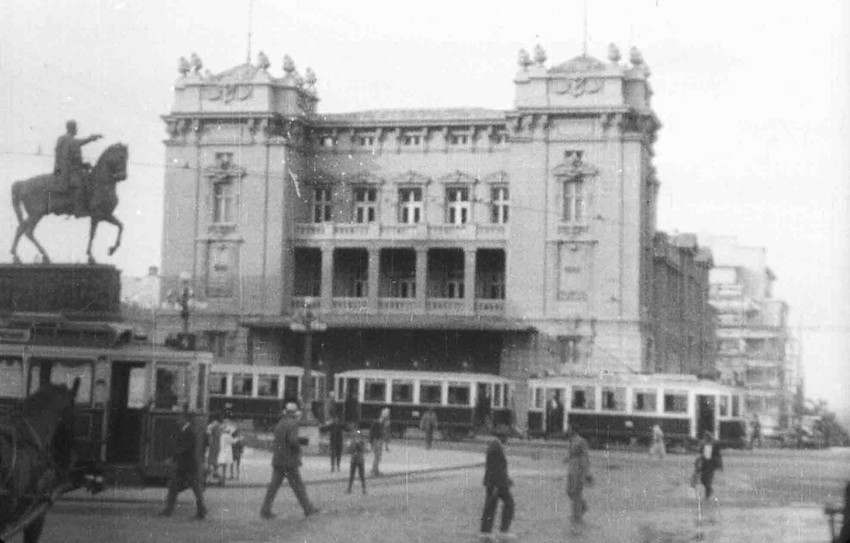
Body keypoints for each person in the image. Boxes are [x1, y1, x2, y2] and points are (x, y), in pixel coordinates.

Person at [259, 401, 320, 520]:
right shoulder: (292, 424)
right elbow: (292, 441)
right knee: (298, 486)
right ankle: (308, 509)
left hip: (278, 460)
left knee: (273, 487)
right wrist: (298, 450)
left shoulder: (280, 423)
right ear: (294, 413)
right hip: (289, 461)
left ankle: (265, 510)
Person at [160, 409, 207, 520]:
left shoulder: (189, 431)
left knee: (192, 489)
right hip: (186, 465)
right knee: (179, 488)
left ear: (185, 419)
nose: (177, 420)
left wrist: (173, 458)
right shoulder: (186, 430)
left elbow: (185, 448)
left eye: (179, 418)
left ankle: (200, 510)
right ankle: (168, 510)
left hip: (188, 465)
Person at [53, 120, 102, 217]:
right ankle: (78, 209)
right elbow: (70, 157)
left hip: (65, 169)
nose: (77, 130)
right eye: (76, 128)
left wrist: (83, 165)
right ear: (72, 128)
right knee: (80, 184)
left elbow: (73, 157)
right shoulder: (69, 139)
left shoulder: (65, 139)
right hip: (67, 171)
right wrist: (91, 138)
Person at [479, 436, 516, 541]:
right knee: (508, 504)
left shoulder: (494, 445)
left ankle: (486, 531)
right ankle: (502, 531)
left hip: (495, 482)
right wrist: (499, 483)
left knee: (491, 506)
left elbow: (495, 467)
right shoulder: (496, 446)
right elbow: (497, 468)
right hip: (498, 483)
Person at [564, 425, 593, 525]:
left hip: (579, 469)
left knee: (576, 492)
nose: (567, 431)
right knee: (569, 491)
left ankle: (576, 515)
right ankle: (582, 506)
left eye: (569, 429)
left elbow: (585, 455)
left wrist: (586, 471)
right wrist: (567, 459)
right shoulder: (572, 440)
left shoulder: (581, 441)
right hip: (572, 468)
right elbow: (571, 453)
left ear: (574, 430)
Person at [696, 431, 723, 501]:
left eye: (708, 437)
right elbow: (699, 453)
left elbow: (718, 455)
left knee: (708, 480)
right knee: (702, 480)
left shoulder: (715, 444)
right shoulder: (702, 444)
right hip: (704, 463)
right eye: (705, 437)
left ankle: (707, 494)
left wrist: (720, 465)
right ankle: (709, 490)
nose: (706, 439)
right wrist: (697, 463)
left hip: (712, 464)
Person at [346, 429, 367, 495]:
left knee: (362, 475)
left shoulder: (362, 441)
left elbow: (363, 449)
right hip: (354, 459)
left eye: (359, 435)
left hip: (360, 460)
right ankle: (349, 488)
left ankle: (364, 489)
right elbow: (349, 450)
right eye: (356, 434)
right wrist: (353, 445)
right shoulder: (353, 441)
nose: (357, 436)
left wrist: (358, 444)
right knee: (352, 475)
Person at [205, 416, 222, 482]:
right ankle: (213, 475)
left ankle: (211, 477)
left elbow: (208, 433)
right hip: (215, 446)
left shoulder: (211, 426)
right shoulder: (217, 426)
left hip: (213, 446)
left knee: (210, 462)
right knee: (213, 461)